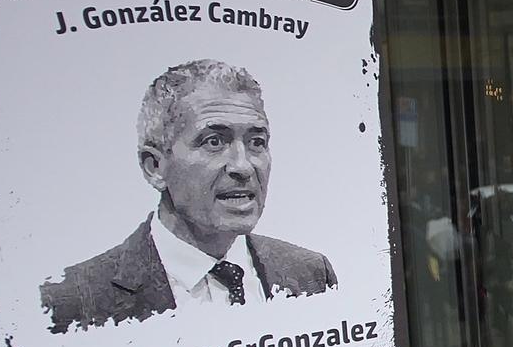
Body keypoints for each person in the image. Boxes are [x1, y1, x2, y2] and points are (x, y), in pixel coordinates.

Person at [42, 60, 336, 331]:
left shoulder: (311, 274)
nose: (242, 166)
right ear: (155, 167)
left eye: (257, 142)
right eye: (213, 141)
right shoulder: (72, 303)